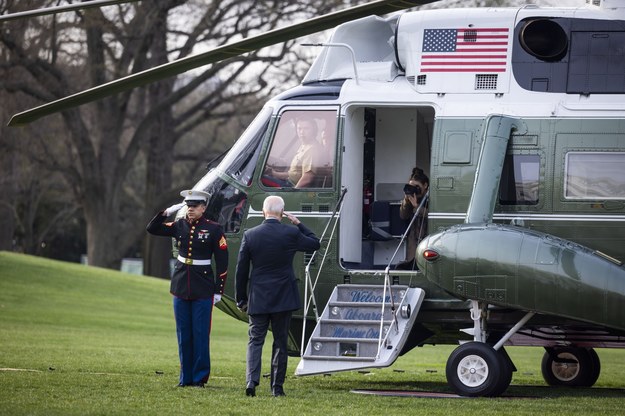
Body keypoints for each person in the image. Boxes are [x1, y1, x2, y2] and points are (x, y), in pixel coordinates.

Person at [235, 195, 320, 397]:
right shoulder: (290, 233)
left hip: (259, 295)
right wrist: (299, 224)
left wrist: (241, 298)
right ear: (282, 213)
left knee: (255, 340)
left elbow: (241, 270)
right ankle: (277, 387)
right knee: (280, 341)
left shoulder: (250, 235)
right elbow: (315, 243)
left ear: (264, 211)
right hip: (283, 295)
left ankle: (251, 381)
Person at [146, 189, 228, 388]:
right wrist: (168, 210)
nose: (190, 209)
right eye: (188, 206)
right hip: (181, 285)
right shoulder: (179, 225)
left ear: (203, 207)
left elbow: (223, 262)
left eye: (195, 206)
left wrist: (218, 290)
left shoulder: (214, 229)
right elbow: (152, 228)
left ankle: (199, 378)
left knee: (200, 334)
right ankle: (186, 378)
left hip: (203, 286)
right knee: (183, 334)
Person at [264, 118, 323, 188]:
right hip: (289, 182)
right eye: (299, 128)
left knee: (260, 179)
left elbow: (308, 178)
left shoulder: (311, 149)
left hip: (291, 186)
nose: (302, 132)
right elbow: (294, 174)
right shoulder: (304, 145)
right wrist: (274, 174)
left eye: (306, 128)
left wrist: (293, 193)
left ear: (314, 130)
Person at [396, 167, 429, 270]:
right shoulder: (411, 199)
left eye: (417, 186)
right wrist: (407, 199)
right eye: (412, 186)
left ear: (425, 185)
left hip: (427, 243)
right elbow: (403, 215)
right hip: (413, 246)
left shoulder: (431, 199)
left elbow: (432, 216)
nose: (415, 189)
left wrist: (417, 207)